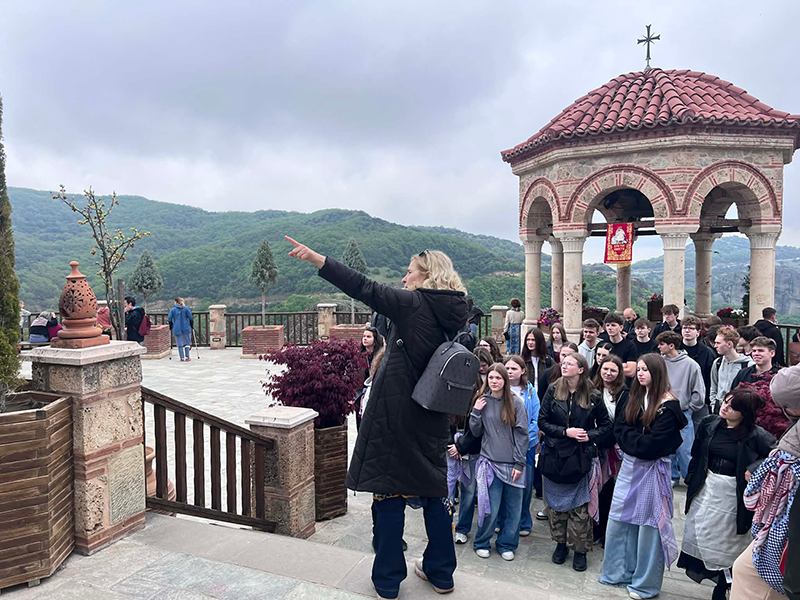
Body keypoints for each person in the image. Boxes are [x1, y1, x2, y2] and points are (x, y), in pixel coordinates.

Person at [286, 239, 464, 598]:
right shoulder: (455, 310)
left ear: (427, 276)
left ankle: (387, 580)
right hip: (432, 414)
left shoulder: (414, 304)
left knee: (389, 494)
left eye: (410, 272)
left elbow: (364, 286)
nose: (404, 278)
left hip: (397, 415)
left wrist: (318, 258)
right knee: (433, 492)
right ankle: (441, 573)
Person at [599, 353, 688, 599]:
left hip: (652, 471)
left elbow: (653, 445)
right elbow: (620, 429)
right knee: (620, 520)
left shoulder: (669, 406)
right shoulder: (633, 397)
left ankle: (644, 583)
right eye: (638, 369)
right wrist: (635, 440)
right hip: (629, 468)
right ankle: (618, 572)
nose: (640, 374)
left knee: (649, 525)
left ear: (656, 372)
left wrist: (632, 441)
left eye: (645, 370)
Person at [678, 388, 776, 600]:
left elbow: (775, 456)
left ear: (744, 413)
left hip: (732, 492)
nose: (725, 407)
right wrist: (691, 478)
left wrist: (754, 468)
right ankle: (716, 577)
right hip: (707, 486)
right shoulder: (710, 424)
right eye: (725, 402)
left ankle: (724, 584)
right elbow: (697, 453)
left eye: (732, 407)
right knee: (704, 533)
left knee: (729, 540)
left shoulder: (756, 435)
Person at [730, 364, 800, 599]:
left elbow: (785, 385)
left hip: (787, 526)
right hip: (783, 522)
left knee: (750, 573)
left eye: (787, 407)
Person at [539, 353, 612, 572]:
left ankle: (580, 550)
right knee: (556, 507)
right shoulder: (553, 389)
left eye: (569, 363)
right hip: (555, 455)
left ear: (581, 369)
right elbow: (542, 421)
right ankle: (560, 544)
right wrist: (565, 432)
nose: (564, 365)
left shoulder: (593, 394)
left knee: (580, 508)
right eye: (564, 363)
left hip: (580, 456)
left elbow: (606, 426)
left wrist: (589, 435)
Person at [470, 363, 528, 561]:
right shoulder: (482, 400)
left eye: (498, 378)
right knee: (489, 508)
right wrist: (476, 411)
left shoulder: (515, 402)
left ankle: (506, 544)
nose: (494, 381)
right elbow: (476, 431)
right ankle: (482, 542)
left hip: (512, 465)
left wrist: (519, 463)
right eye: (491, 378)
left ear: (505, 380)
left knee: (513, 509)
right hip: (490, 464)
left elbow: (522, 434)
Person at [450, 347, 492, 546]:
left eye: (485, 365)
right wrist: (455, 445)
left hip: (481, 447)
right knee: (464, 490)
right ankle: (460, 527)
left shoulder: (492, 388)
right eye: (479, 366)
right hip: (462, 444)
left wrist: (461, 446)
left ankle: (480, 528)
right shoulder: (465, 383)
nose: (482, 369)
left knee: (482, 491)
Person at [657, 330, 706, 486]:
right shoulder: (660, 363)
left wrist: (690, 408)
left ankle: (690, 478)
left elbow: (699, 391)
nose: (658, 347)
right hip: (663, 411)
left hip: (683, 411)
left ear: (671, 346)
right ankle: (672, 477)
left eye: (662, 344)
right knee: (666, 447)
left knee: (685, 449)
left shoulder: (691, 365)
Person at [591, 355, 628, 546]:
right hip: (592, 448)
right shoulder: (591, 389)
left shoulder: (624, 394)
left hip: (612, 450)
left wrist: (602, 438)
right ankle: (593, 530)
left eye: (613, 370)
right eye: (605, 369)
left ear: (619, 373)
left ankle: (607, 532)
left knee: (609, 492)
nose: (608, 373)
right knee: (593, 491)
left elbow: (620, 424)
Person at [504, 355, 540, 537]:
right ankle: (502, 520)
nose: (510, 372)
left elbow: (535, 419)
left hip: (526, 446)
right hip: (503, 446)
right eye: (507, 368)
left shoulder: (530, 391)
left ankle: (524, 519)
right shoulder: (500, 388)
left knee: (524, 485)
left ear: (522, 371)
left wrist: (524, 441)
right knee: (504, 484)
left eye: (514, 368)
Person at [730, 336, 790, 439]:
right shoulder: (743, 373)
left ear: (772, 353)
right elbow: (733, 395)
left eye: (761, 351)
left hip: (771, 428)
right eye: (754, 351)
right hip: (743, 424)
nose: (756, 353)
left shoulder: (780, 376)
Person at [711, 327, 754, 413]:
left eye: (718, 343)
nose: (715, 346)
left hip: (736, 408)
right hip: (719, 406)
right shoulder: (717, 362)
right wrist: (713, 405)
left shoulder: (747, 364)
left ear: (729, 344)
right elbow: (714, 386)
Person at [681, 315, 716, 412]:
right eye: (684, 328)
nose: (687, 331)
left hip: (700, 399)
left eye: (691, 328)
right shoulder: (675, 350)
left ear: (698, 332)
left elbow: (709, 378)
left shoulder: (707, 352)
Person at [356, 326, 385, 430]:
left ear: (375, 339)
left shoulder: (380, 357)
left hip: (374, 392)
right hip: (360, 394)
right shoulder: (359, 356)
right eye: (364, 336)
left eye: (368, 337)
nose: (365, 339)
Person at [602, 313, 638, 379]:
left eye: (613, 325)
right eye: (607, 325)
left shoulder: (630, 346)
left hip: (623, 383)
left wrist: (607, 368)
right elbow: (598, 368)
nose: (610, 328)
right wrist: (622, 366)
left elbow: (631, 372)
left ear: (621, 328)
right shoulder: (602, 344)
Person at [521, 327, 553, 395]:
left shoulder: (548, 360)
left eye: (533, 340)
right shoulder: (521, 360)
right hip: (526, 396)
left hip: (543, 396)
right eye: (528, 340)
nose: (530, 342)